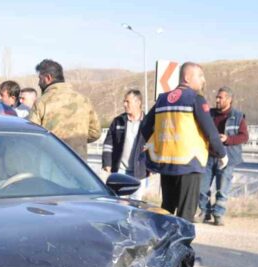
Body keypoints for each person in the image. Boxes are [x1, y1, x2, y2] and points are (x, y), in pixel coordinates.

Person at [140, 62, 227, 222]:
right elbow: (211, 131)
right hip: (189, 163)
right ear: (187, 78)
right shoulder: (195, 99)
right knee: (185, 214)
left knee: (166, 209)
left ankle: (164, 244)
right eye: (200, 76)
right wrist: (222, 153)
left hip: (167, 163)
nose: (203, 80)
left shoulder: (162, 99)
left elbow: (145, 127)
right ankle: (182, 246)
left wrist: (154, 148)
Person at [29, 59, 100, 160]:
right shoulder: (83, 100)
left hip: (51, 162)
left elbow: (33, 135)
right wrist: (77, 141)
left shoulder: (42, 102)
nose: (38, 83)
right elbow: (95, 132)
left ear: (48, 78)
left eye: (40, 79)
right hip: (79, 163)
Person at [198, 86, 249, 226]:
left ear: (229, 99)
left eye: (220, 97)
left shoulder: (238, 116)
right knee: (202, 187)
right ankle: (204, 212)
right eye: (217, 97)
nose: (217, 100)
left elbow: (244, 137)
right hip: (208, 156)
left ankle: (218, 214)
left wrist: (227, 139)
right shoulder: (209, 113)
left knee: (222, 189)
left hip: (227, 158)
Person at [102, 90, 146, 178]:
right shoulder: (118, 121)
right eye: (124, 101)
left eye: (127, 102)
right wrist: (107, 163)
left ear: (138, 102)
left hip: (140, 173)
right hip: (119, 171)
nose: (124, 104)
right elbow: (108, 144)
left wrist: (152, 169)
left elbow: (154, 147)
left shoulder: (148, 123)